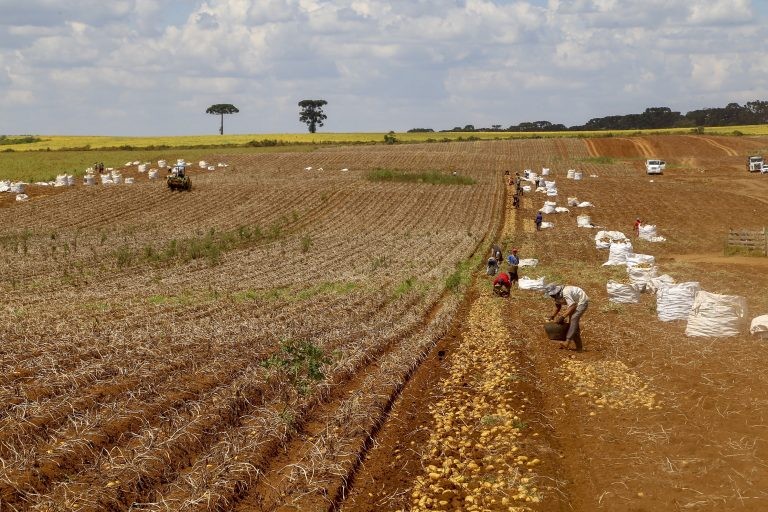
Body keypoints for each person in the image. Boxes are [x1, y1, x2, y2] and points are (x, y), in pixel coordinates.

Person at [545, 284, 589, 351]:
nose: (552, 296)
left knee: (574, 319)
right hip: (574, 303)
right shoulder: (556, 296)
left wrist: (562, 317)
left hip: (582, 301)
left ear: (556, 292)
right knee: (573, 324)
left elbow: (573, 306)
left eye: (552, 295)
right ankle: (579, 347)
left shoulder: (565, 292)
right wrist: (552, 316)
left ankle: (567, 342)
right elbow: (558, 307)